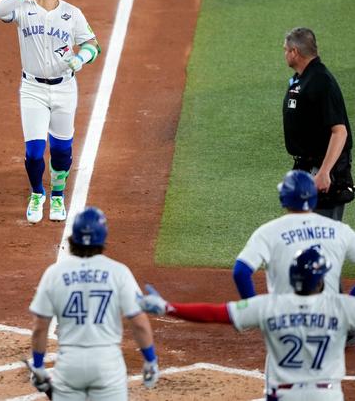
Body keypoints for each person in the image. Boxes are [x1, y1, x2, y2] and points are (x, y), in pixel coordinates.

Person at [140, 247, 355, 401]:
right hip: (327, 395)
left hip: (283, 395)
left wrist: (168, 307)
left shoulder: (269, 306)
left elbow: (214, 313)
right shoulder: (343, 307)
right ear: (321, 281)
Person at [0, 0, 101, 223]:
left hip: (64, 88)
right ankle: (38, 193)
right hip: (33, 89)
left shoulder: (72, 14)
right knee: (33, 152)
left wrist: (81, 59)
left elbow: (92, 44)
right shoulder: (23, 9)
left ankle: (58, 196)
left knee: (62, 150)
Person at [27, 207, 159, 400]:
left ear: (74, 238)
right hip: (107, 365)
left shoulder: (54, 274)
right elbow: (139, 322)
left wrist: (38, 366)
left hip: (69, 366)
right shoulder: (119, 272)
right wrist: (150, 360)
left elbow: (40, 327)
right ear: (103, 236)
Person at [232, 170, 355, 299]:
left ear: (283, 198)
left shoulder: (267, 232)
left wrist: (253, 309)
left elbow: (241, 272)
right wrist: (349, 303)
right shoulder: (340, 230)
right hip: (330, 316)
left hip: (283, 317)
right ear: (314, 197)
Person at [282, 27, 354, 221]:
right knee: (304, 230)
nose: (284, 54)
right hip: (307, 168)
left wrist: (324, 172)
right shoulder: (303, 78)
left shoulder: (321, 81)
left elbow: (340, 132)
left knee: (322, 234)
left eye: (285, 50)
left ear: (295, 52)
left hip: (323, 173)